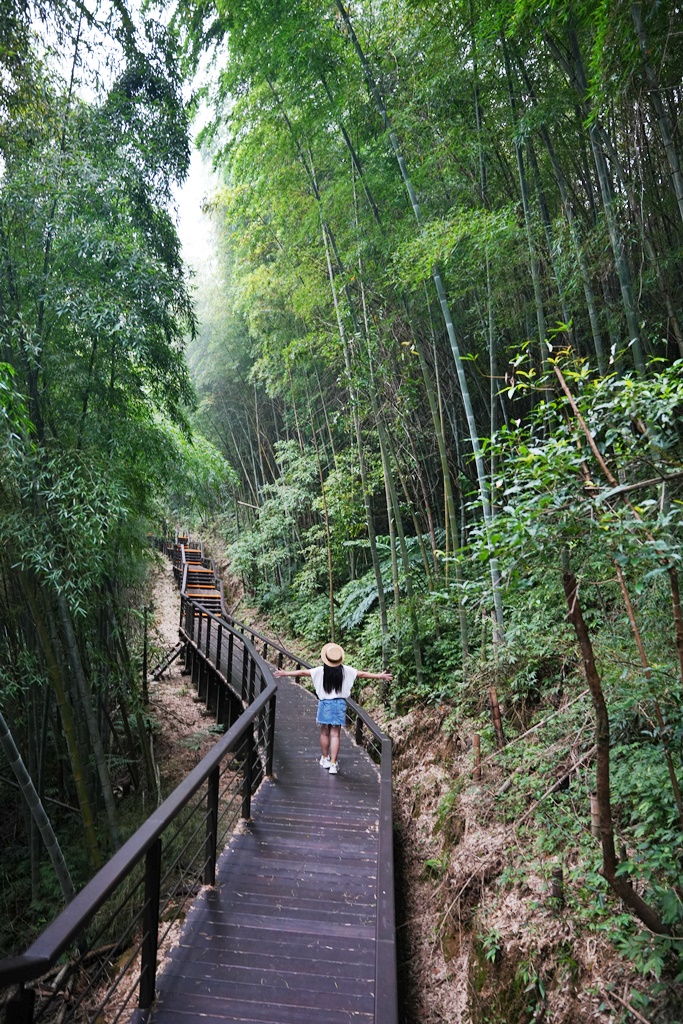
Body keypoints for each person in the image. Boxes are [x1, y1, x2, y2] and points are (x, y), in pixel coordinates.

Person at [274, 643, 392, 775]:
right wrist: (379, 676)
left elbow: (302, 672)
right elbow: (362, 674)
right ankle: (333, 764)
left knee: (324, 732)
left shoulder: (320, 671)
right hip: (339, 704)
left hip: (325, 704)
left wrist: (285, 673)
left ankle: (325, 759)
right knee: (335, 734)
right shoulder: (346, 670)